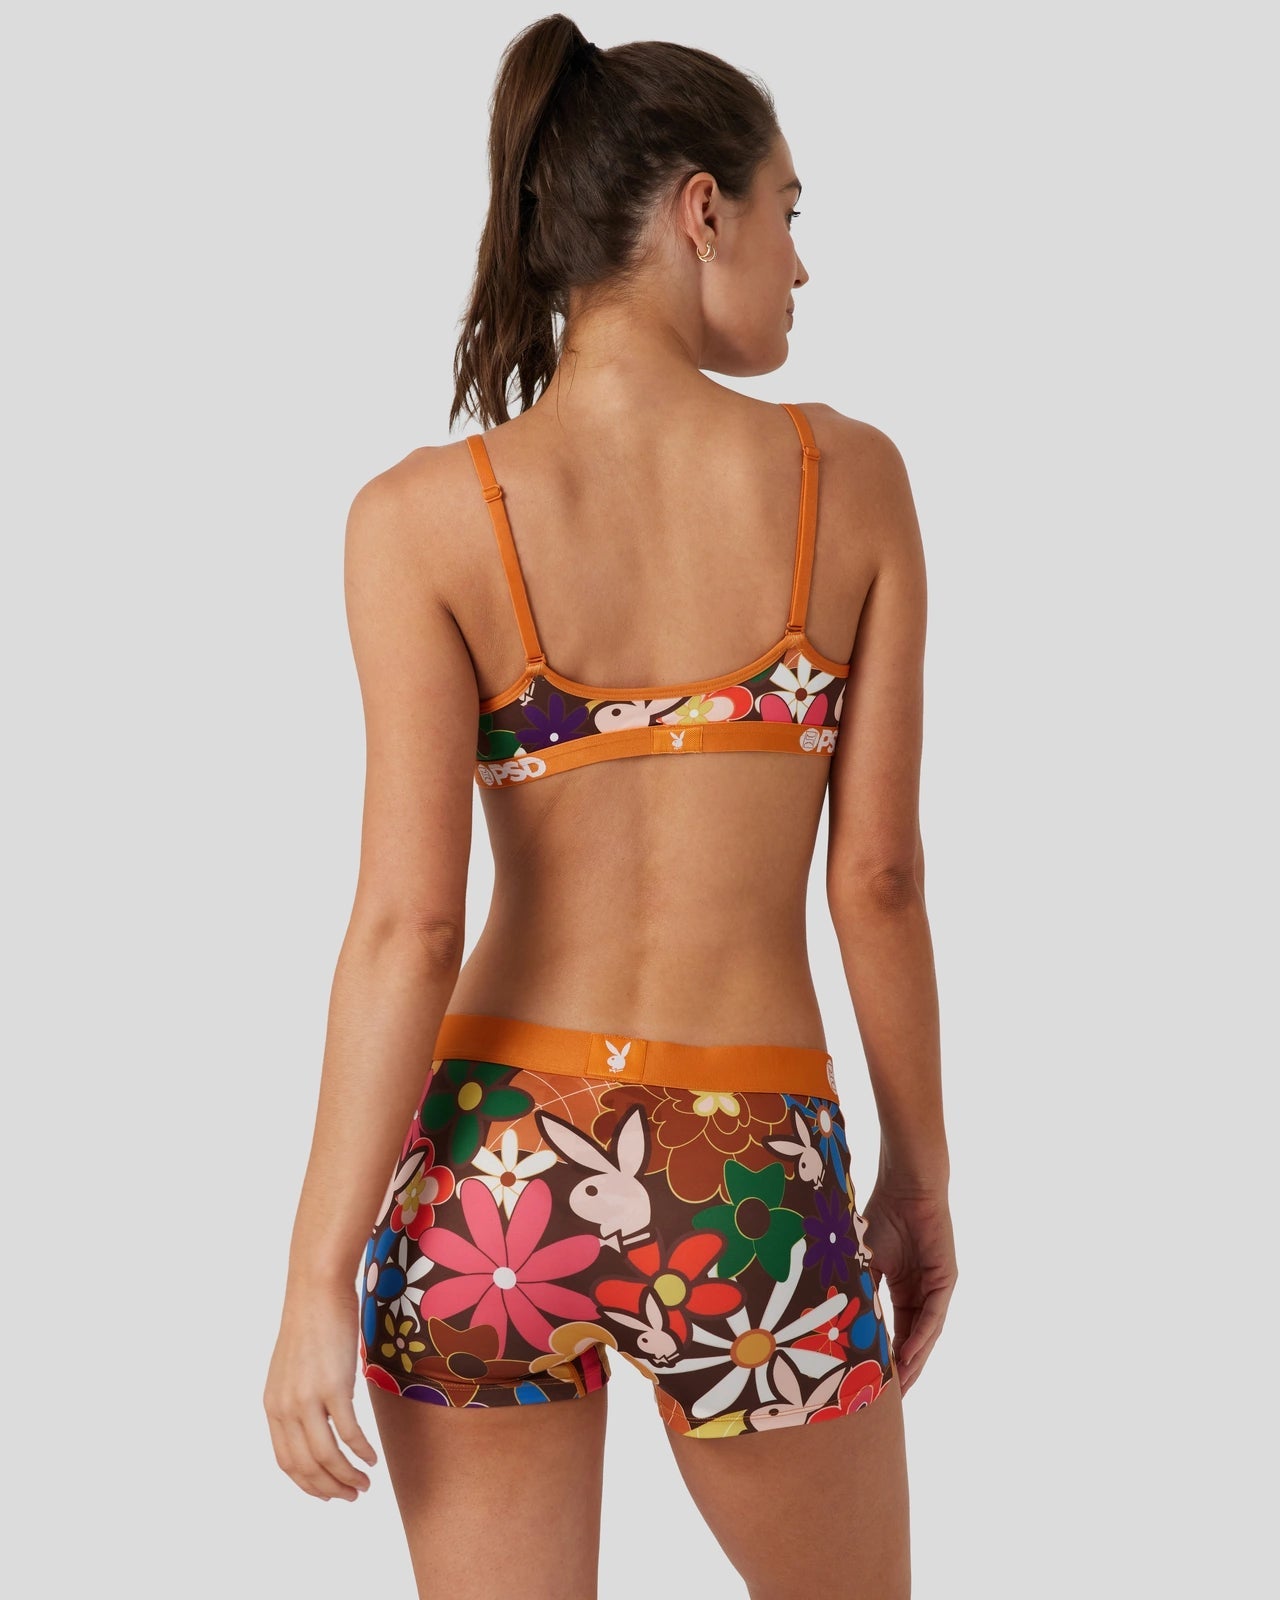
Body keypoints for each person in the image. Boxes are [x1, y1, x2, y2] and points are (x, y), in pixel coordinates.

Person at [263, 13, 955, 1599]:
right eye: (791, 212)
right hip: (747, 1172)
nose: (801, 263)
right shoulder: (849, 481)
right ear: (702, 209)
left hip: (492, 1175)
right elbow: (881, 883)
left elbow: (407, 926)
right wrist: (917, 1182)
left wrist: (314, 1275)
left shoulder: (421, 519)